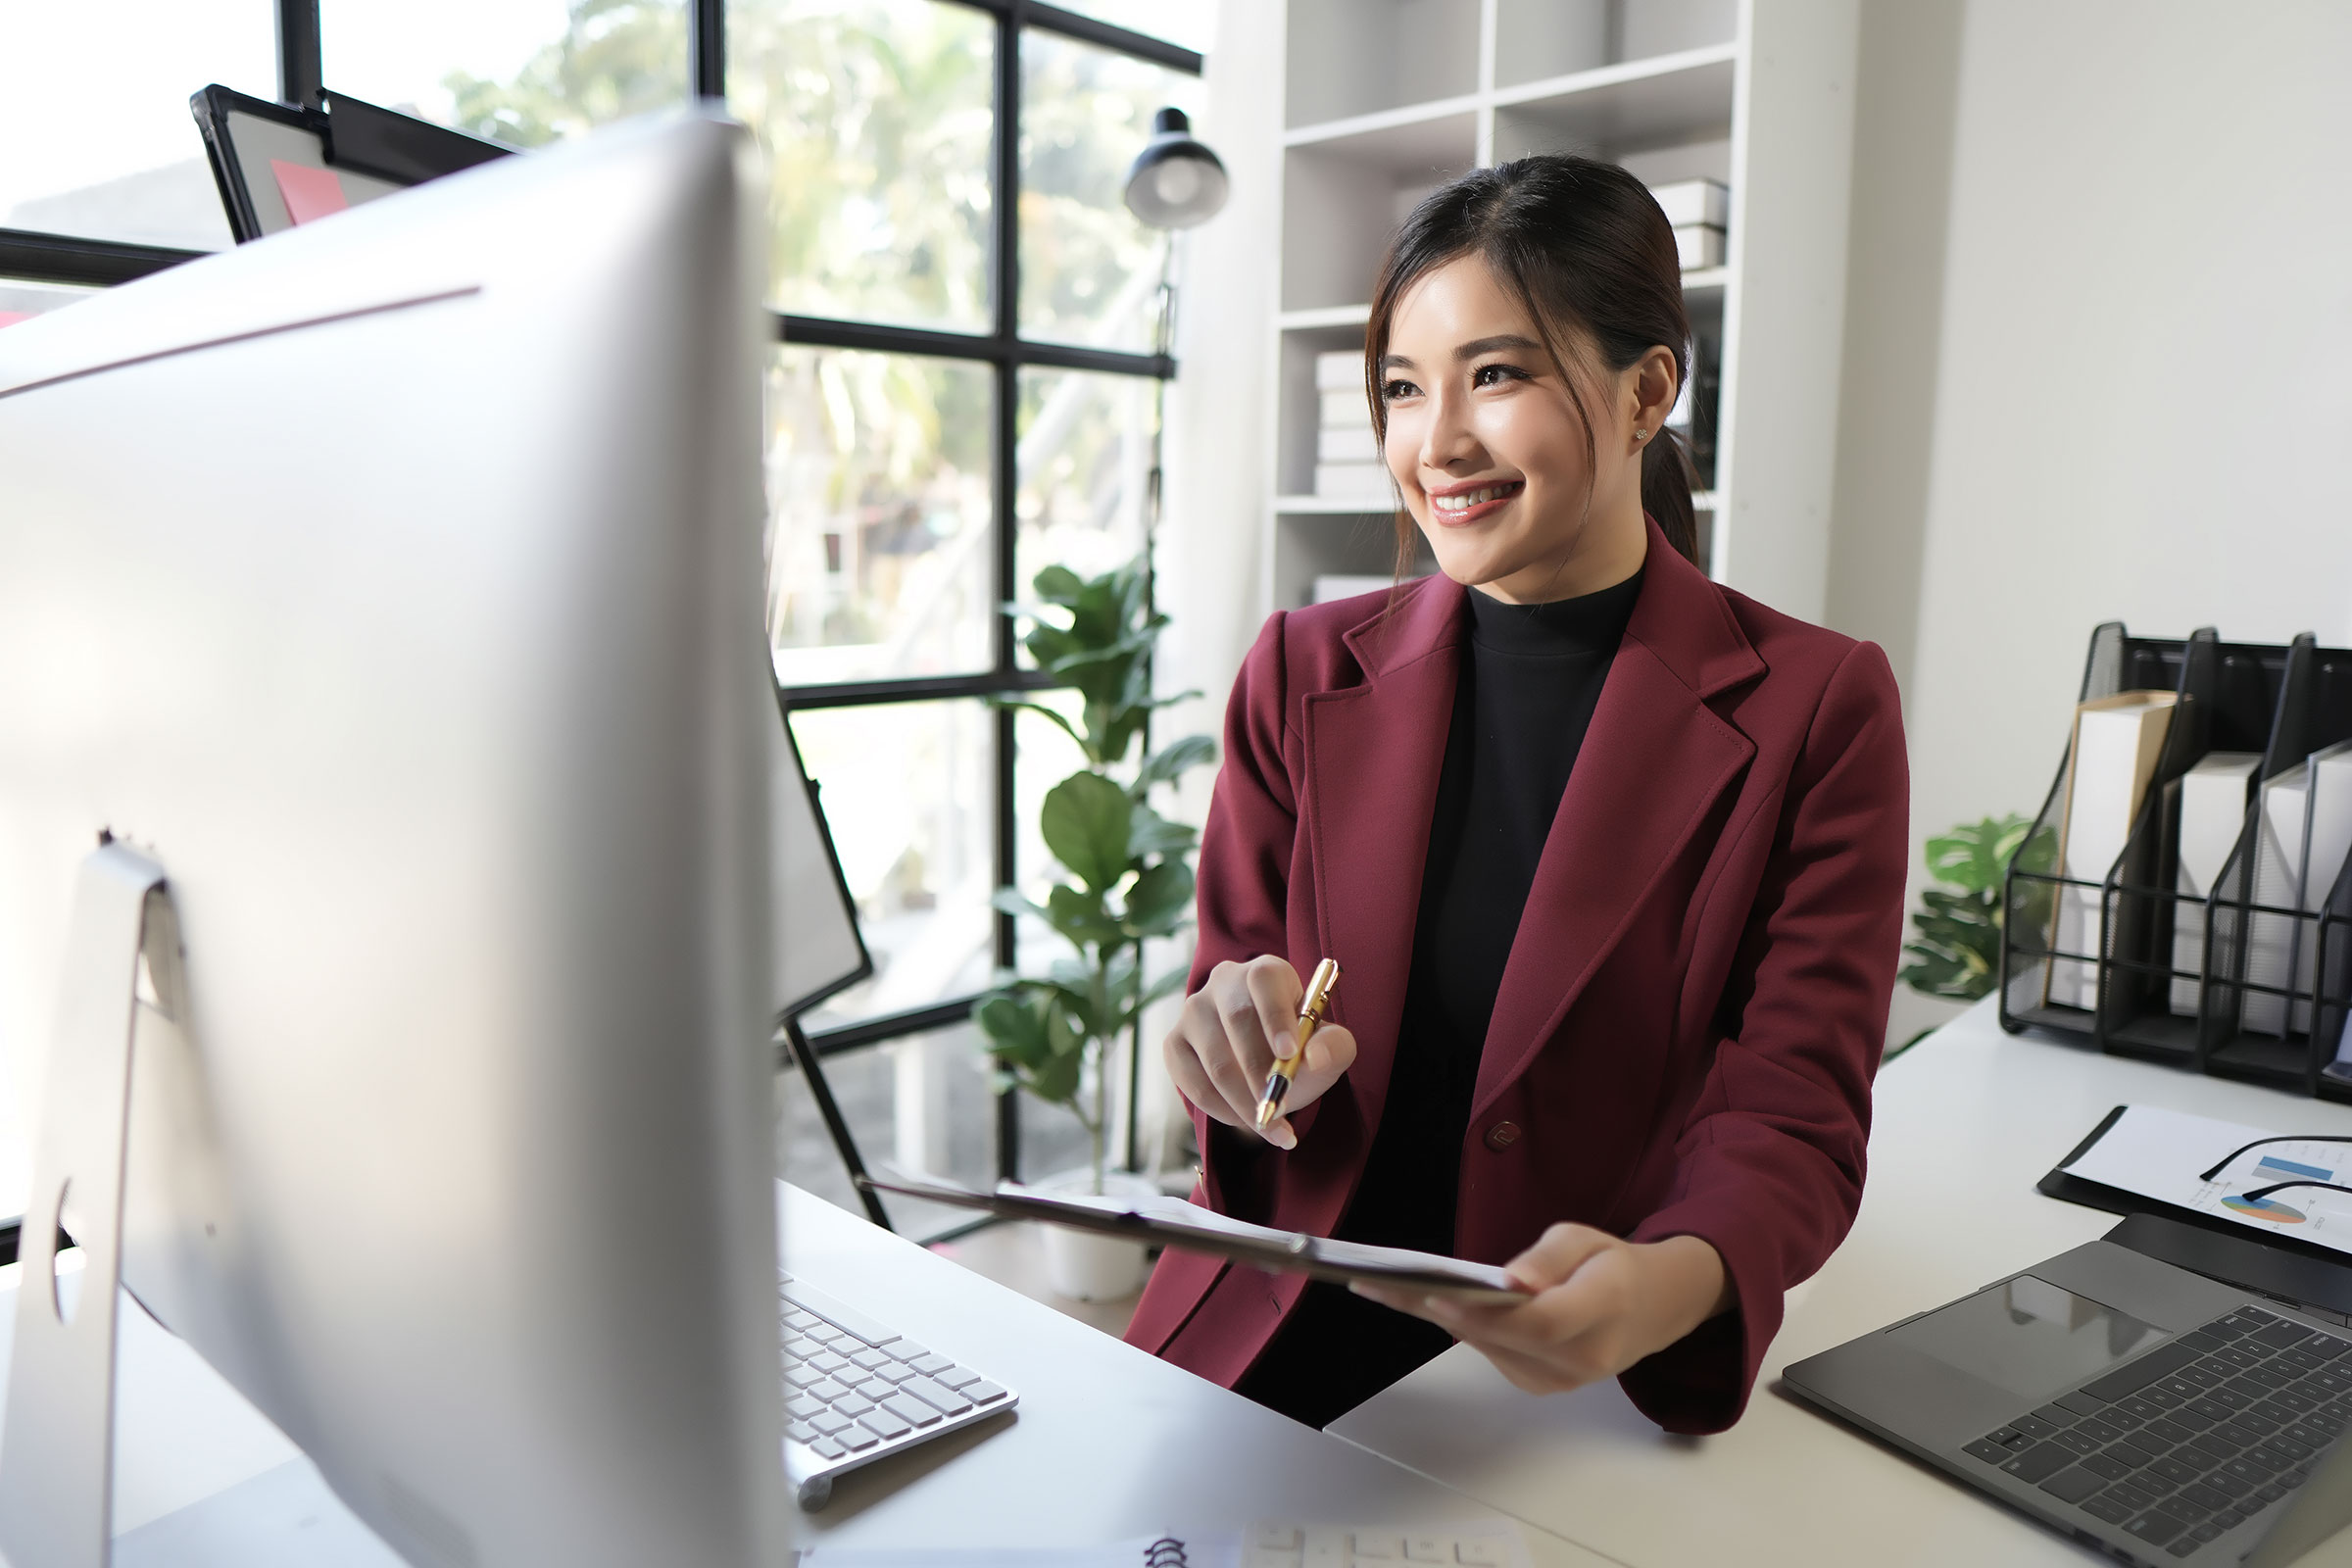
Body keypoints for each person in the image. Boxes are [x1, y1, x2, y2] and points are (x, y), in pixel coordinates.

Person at [1122, 154, 1909, 1435]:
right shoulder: (1299, 671)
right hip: (1264, 1332)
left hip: (1564, 1377)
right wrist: (1233, 1041)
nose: (1436, 445)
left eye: (1496, 374)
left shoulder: (1815, 709)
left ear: (1648, 389)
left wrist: (1670, 1282)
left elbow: (1793, 1112)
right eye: (1400, 389)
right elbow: (1240, 986)